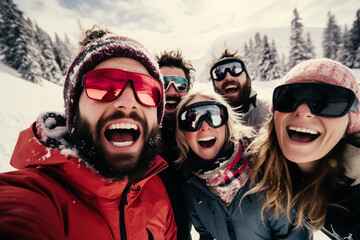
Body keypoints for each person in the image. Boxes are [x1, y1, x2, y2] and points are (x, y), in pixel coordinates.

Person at [0, 26, 177, 239]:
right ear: (73, 113)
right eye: (103, 85)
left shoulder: (155, 189)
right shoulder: (34, 196)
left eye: (146, 90)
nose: (128, 102)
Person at [246, 58, 360, 239]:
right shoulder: (272, 172)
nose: (303, 110)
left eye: (328, 102)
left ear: (350, 125)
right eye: (289, 98)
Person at [175, 88, 310, 239]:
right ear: (183, 134)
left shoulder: (266, 168)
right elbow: (206, 235)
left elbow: (295, 233)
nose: (204, 126)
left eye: (213, 115)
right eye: (192, 119)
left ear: (227, 123)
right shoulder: (192, 188)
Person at [155, 49, 195, 240]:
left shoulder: (199, 133)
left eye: (180, 85)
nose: (172, 91)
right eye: (163, 83)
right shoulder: (137, 135)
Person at [209, 48, 270, 130]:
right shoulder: (209, 123)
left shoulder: (269, 113)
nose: (228, 77)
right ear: (214, 85)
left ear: (247, 77)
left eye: (235, 69)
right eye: (219, 73)